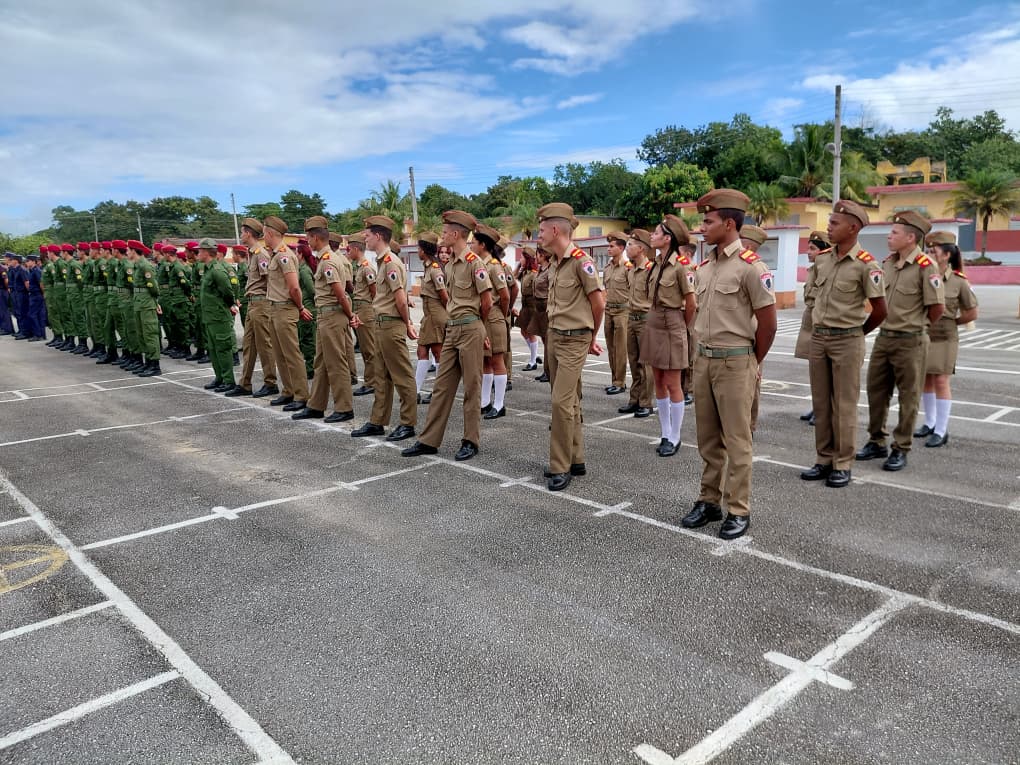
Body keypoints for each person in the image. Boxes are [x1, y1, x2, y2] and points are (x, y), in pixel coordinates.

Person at [680, 189, 776, 540]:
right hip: (704, 361)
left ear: (729, 223)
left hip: (736, 363)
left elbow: (768, 324)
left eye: (708, 221)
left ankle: (738, 509)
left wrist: (751, 360)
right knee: (707, 439)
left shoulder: (752, 268)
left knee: (737, 440)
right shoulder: (704, 269)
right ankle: (709, 501)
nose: (701, 227)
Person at [799, 202, 886, 488]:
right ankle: (823, 459)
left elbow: (880, 310)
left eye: (835, 223)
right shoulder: (822, 259)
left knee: (844, 406)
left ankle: (843, 463)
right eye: (830, 221)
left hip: (847, 339)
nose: (829, 226)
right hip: (819, 338)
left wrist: (858, 333)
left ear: (853, 227)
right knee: (821, 404)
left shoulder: (866, 265)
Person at [402, 210, 494, 461]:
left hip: (470, 328)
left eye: (444, 233)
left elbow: (487, 302)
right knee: (442, 387)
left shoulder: (475, 263)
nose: (442, 238)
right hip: (452, 329)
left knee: (472, 387)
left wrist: (480, 327)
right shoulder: (450, 264)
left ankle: (470, 441)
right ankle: (429, 440)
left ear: (456, 234)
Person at [857, 210, 944, 472]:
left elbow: (936, 308)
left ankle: (900, 447)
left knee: (909, 398)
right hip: (885, 339)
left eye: (894, 233)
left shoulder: (927, 267)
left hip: (911, 341)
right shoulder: (886, 264)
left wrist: (918, 327)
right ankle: (876, 441)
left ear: (910, 237)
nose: (889, 236)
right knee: (876, 392)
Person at [539, 203, 604, 491]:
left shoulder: (581, 261)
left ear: (555, 230)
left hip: (575, 338)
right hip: (555, 335)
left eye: (541, 230)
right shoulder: (555, 261)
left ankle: (559, 465)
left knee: (560, 402)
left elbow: (598, 303)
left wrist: (592, 337)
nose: (538, 235)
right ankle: (576, 458)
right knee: (570, 399)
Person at [351, 216, 418, 441]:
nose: (364, 237)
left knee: (402, 377)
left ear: (378, 236)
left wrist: (407, 323)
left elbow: (401, 299)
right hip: (381, 324)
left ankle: (408, 423)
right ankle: (377, 421)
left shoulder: (390, 262)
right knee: (381, 377)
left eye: (368, 235)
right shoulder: (382, 261)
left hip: (391, 325)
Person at [291, 217, 360, 422]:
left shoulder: (329, 260)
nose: (307, 242)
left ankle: (344, 407)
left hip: (332, 316)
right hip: (325, 316)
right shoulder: (325, 258)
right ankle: (316, 405)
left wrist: (350, 316)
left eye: (308, 237)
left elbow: (340, 294)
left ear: (315, 237)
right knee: (321, 363)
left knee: (336, 363)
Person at [914, 232, 978, 448]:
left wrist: (952, 322)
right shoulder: (923, 275)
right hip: (925, 335)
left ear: (947, 255)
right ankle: (930, 423)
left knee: (941, 380)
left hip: (946, 337)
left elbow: (971, 312)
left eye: (934, 251)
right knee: (926, 379)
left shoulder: (959, 281)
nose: (930, 254)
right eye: (928, 250)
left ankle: (941, 430)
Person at [641, 216, 697, 456]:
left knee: (673, 383)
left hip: (673, 322)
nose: (651, 236)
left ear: (667, 238)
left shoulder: (682, 265)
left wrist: (680, 327)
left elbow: (691, 303)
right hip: (653, 322)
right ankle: (664, 432)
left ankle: (675, 437)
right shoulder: (655, 264)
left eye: (656, 233)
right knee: (658, 380)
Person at [263, 216, 313, 410]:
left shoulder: (285, 255)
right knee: (280, 354)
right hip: (275, 308)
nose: (264, 238)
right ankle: (288, 391)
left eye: (264, 234)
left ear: (269, 233)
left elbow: (294, 288)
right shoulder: (275, 255)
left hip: (285, 308)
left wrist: (300, 308)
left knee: (291, 354)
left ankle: (301, 395)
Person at [227, 218, 279, 398]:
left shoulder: (261, 254)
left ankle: (270, 382)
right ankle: (245, 383)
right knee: (248, 346)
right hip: (252, 304)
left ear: (248, 233)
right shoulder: (252, 254)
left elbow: (269, 280)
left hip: (261, 303)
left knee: (264, 345)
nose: (241, 235)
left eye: (242, 232)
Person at [471, 224, 511, 419]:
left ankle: (499, 404)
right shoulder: (481, 264)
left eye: (474, 242)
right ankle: (485, 401)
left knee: (497, 360)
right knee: (485, 360)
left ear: (483, 245)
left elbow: (505, 295)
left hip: (493, 316)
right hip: (483, 317)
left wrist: (501, 316)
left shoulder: (494, 266)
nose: (471, 245)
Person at [617, 230, 655, 418]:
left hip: (646, 321)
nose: (628, 248)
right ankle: (635, 399)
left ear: (641, 248)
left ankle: (646, 402)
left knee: (646, 364)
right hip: (631, 318)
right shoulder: (631, 270)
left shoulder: (651, 271)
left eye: (631, 245)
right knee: (633, 362)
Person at [795, 231, 831, 425]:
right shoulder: (812, 270)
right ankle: (818, 406)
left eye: (813, 249)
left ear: (824, 251)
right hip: (810, 317)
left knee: (823, 370)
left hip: (821, 320)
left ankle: (824, 410)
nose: (808, 252)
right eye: (808, 247)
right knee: (814, 369)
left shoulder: (827, 269)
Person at [193, 239, 238, 391]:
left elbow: (228, 292)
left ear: (206, 252)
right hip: (210, 316)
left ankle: (228, 380)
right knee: (212, 348)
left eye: (199, 250)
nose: (197, 253)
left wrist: (226, 306)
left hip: (219, 316)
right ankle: (219, 377)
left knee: (223, 348)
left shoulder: (217, 271)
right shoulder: (208, 269)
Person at [414, 232, 449, 405]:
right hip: (428, 316)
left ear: (424, 250)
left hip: (436, 316)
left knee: (437, 353)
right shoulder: (428, 267)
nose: (417, 251)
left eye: (419, 248)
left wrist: (448, 314)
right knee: (422, 352)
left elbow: (444, 295)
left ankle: (439, 392)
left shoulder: (435, 269)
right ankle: (415, 391)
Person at [602, 231, 633, 396]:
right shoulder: (607, 268)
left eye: (612, 246)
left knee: (621, 349)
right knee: (611, 347)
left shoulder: (628, 268)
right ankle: (614, 379)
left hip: (623, 311)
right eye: (609, 245)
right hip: (609, 310)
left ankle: (620, 382)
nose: (609, 248)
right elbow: (604, 290)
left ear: (621, 248)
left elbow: (634, 291)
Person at [126, 240, 162, 376]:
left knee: (150, 334)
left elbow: (153, 287)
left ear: (134, 251)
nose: (127, 252)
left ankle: (154, 365)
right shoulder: (136, 265)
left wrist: (155, 302)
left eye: (128, 250)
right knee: (141, 335)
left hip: (147, 304)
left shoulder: (145, 266)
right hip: (139, 303)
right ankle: (148, 362)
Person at [349, 233, 377, 397]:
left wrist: (371, 310)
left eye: (349, 249)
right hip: (360, 308)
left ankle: (371, 382)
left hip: (366, 309)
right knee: (366, 349)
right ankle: (370, 380)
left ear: (355, 249)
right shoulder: (359, 267)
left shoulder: (367, 268)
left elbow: (374, 292)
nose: (348, 252)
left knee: (369, 348)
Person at [515, 247, 542, 371]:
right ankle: (535, 354)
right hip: (525, 305)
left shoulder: (534, 273)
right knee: (523, 331)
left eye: (522, 257)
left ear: (528, 259)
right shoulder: (525, 272)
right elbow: (514, 276)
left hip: (532, 305)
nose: (520, 259)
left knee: (530, 333)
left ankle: (532, 362)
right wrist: (519, 265)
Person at [527, 247, 551, 382]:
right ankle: (546, 370)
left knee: (548, 341)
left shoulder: (550, 270)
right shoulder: (540, 270)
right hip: (539, 308)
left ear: (542, 255)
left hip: (546, 306)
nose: (536, 257)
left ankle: (549, 371)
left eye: (537, 254)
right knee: (544, 340)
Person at [296, 242, 317, 380]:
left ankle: (311, 368)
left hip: (308, 309)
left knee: (307, 340)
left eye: (296, 252)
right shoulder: (303, 268)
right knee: (305, 339)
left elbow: (311, 290)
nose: (295, 255)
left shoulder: (303, 270)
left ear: (301, 254)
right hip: (306, 307)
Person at [25, 252, 47, 340]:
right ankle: (41, 334)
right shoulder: (32, 271)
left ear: (33, 262)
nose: (27, 263)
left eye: (28, 261)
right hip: (34, 295)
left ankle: (38, 334)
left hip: (37, 295)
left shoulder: (36, 271)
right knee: (39, 315)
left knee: (32, 314)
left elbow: (41, 283)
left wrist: (43, 294)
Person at [0, 255, 13, 336]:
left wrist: (7, 289)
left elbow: (6, 280)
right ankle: (2, 327)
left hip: (2, 291)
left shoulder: (1, 268)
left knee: (4, 310)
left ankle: (7, 328)